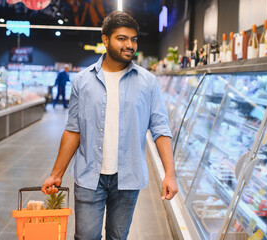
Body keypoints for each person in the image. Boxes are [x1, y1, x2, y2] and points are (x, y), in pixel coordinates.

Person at [41, 10, 178, 240]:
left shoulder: (148, 82)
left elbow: (160, 129)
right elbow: (73, 130)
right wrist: (57, 174)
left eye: (133, 39)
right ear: (105, 40)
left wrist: (170, 174)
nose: (130, 45)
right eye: (122, 39)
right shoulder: (83, 81)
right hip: (89, 176)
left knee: (118, 237)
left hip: (128, 178)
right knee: (86, 237)